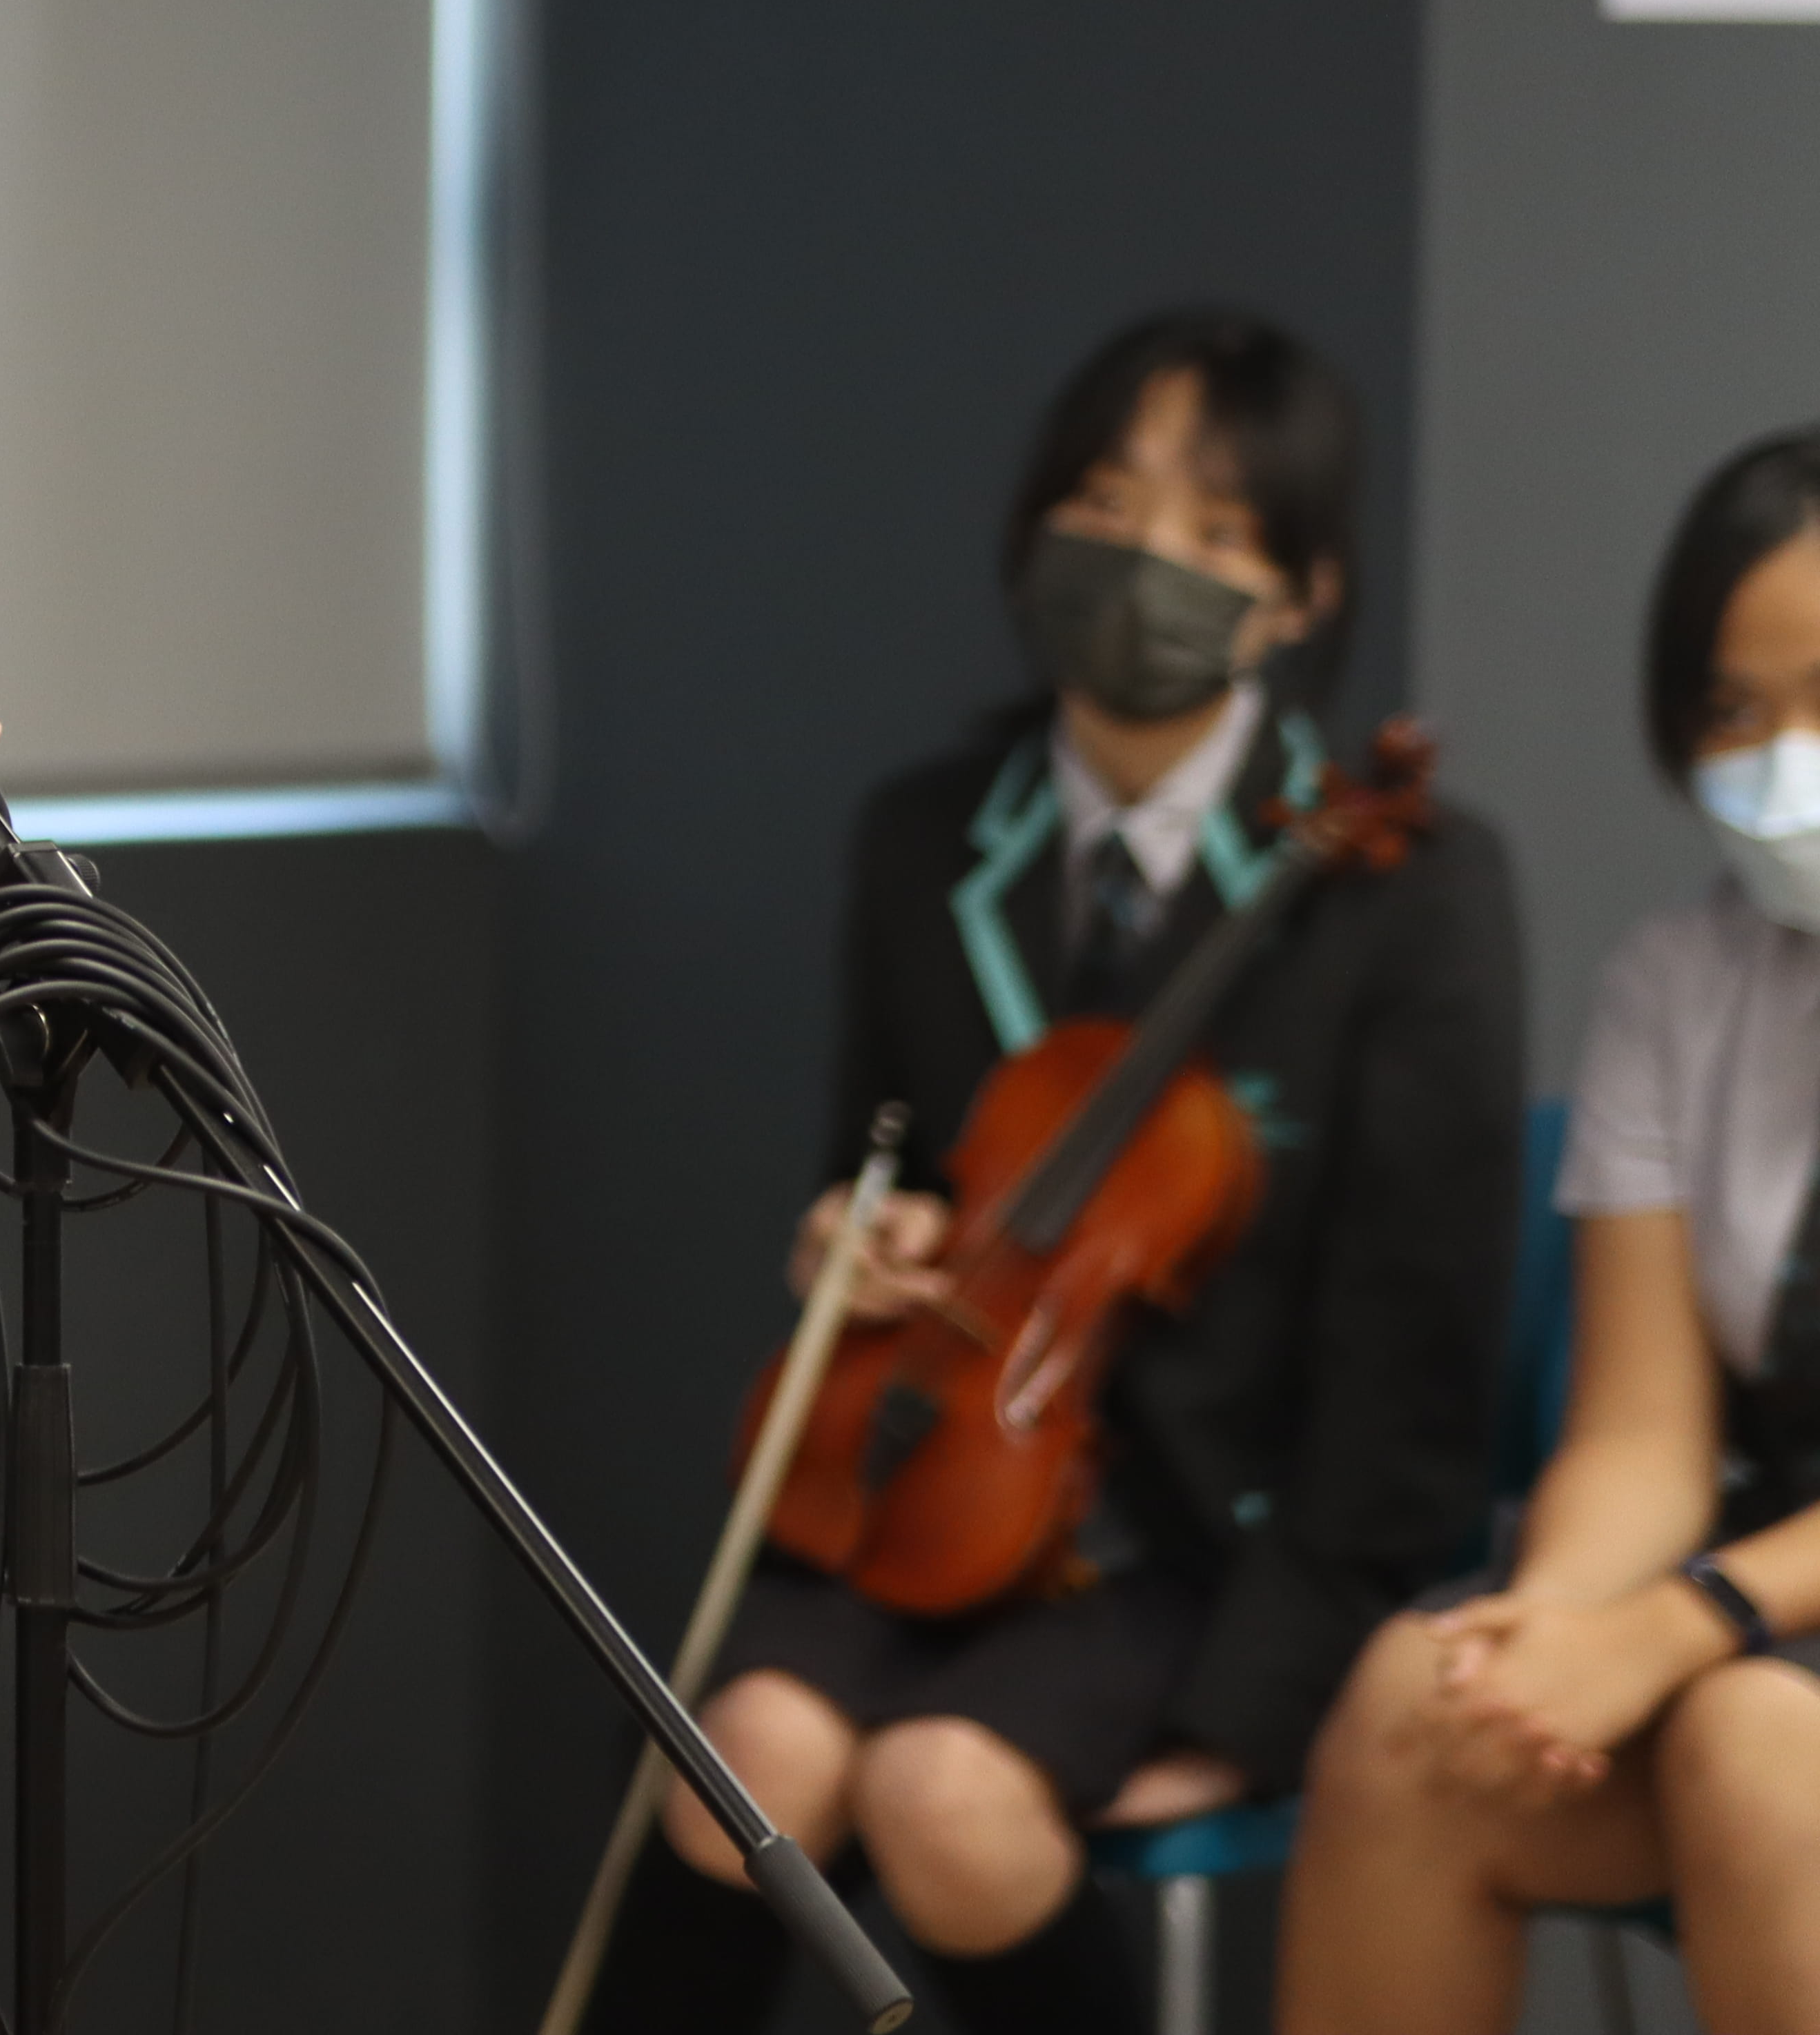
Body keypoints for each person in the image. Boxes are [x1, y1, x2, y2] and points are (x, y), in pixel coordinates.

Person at [591, 311, 1525, 2035]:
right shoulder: (923, 833)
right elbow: (870, 1166)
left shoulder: (1407, 883)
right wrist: (848, 1243)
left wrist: (1253, 1706)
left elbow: (1416, 1357)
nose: (1144, 558)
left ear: (1304, 592)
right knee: (749, 1765)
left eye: (1218, 529)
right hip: (930, 1487)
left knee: (949, 1796)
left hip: (1194, 1548)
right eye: (1107, 498)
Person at [1279, 426, 1820, 2034]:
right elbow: (1647, 1426)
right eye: (1732, 708)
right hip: (1761, 1604)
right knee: (1412, 1704)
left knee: (1745, 1737)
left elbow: (1707, 1617)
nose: (1780, 751)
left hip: (1757, 1648)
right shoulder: (1678, 978)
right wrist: (1548, 1634)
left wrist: (1680, 1620)